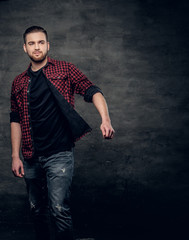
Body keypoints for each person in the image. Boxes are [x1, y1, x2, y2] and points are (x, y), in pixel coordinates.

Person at [10, 26, 115, 240]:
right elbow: (15, 119)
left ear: (48, 45)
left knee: (58, 209)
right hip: (30, 156)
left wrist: (105, 119)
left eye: (40, 42)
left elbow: (92, 90)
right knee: (36, 210)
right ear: (24, 48)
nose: (36, 47)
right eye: (31, 43)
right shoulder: (19, 82)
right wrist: (15, 156)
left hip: (59, 153)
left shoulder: (65, 70)